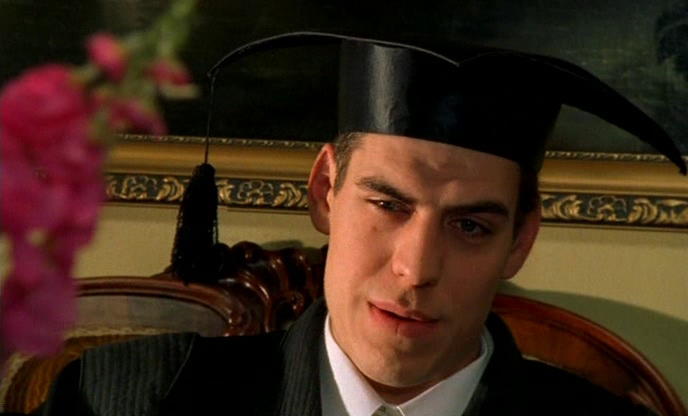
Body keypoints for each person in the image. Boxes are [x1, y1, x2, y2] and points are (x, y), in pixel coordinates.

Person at [34, 33, 685, 416]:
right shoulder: (126, 399)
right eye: (389, 205)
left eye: (470, 228)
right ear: (325, 190)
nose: (416, 269)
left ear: (520, 241)